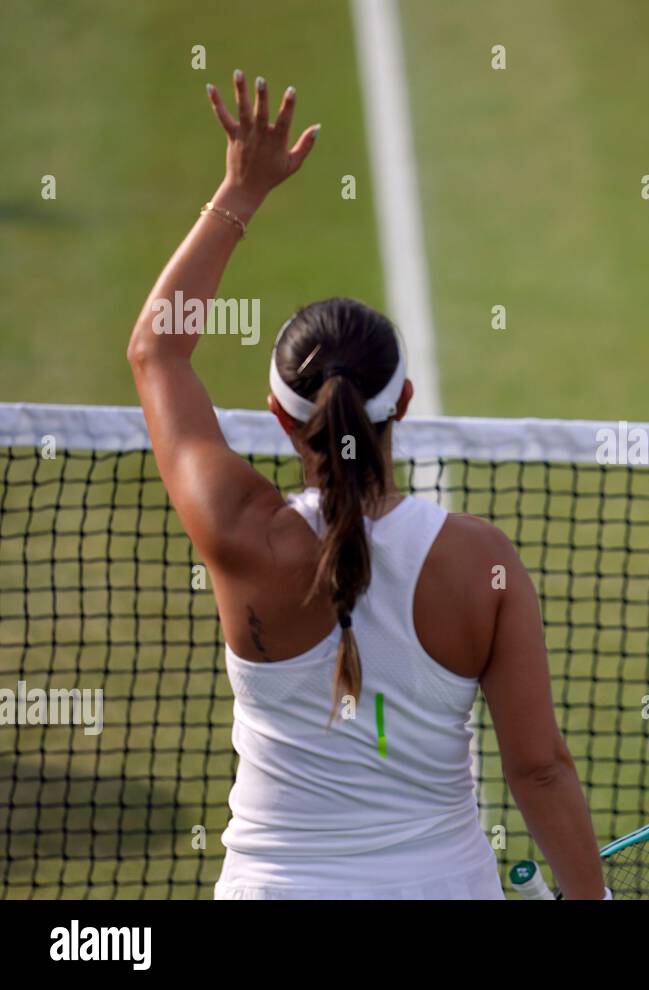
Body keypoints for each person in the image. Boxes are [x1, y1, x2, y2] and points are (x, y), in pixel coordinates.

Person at [126, 70, 606, 899]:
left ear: (281, 419)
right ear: (404, 405)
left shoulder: (240, 535)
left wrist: (240, 192)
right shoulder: (479, 561)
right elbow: (539, 770)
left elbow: (157, 351)